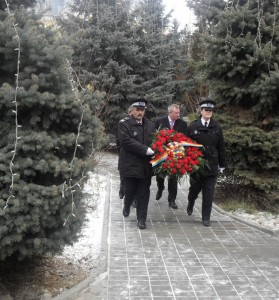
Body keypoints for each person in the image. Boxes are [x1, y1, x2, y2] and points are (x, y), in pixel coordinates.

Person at [186, 98, 226, 227]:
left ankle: (206, 217)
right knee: (194, 189)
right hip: (197, 166)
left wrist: (222, 164)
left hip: (212, 165)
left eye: (211, 110)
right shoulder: (193, 126)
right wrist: (188, 162)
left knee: (208, 193)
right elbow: (186, 145)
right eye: (206, 110)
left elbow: (221, 147)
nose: (208, 112)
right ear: (201, 111)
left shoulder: (217, 127)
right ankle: (191, 201)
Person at [118, 99, 155, 229]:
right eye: (137, 110)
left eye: (142, 110)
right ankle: (126, 205)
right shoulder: (124, 124)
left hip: (145, 167)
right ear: (132, 110)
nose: (140, 112)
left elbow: (156, 140)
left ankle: (141, 219)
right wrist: (145, 149)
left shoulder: (150, 125)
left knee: (144, 194)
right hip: (130, 166)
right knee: (130, 191)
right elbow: (126, 142)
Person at [155, 104, 187, 209]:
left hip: (176, 153)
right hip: (162, 152)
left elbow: (184, 139)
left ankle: (172, 200)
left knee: (173, 177)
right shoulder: (160, 121)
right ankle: (160, 188)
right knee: (160, 175)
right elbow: (155, 137)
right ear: (170, 113)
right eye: (176, 113)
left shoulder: (183, 124)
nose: (178, 115)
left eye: (179, 113)